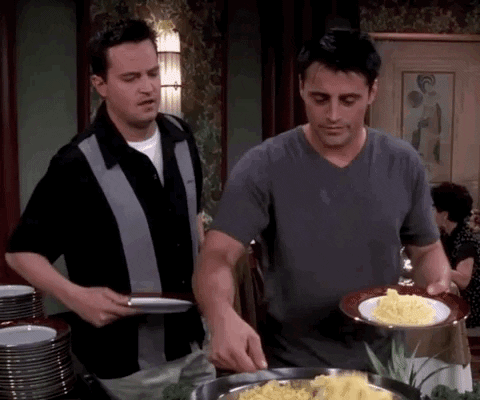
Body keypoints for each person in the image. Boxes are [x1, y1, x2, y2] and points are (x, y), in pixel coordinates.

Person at [193, 28, 451, 374]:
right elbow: (216, 256)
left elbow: (427, 251)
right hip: (289, 365)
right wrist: (221, 315)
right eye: (320, 98)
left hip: (385, 365)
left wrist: (437, 284)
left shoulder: (403, 163)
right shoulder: (264, 164)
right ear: (301, 87)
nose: (333, 115)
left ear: (372, 92)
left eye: (348, 100)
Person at [5, 18, 214, 400]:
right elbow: (21, 252)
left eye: (153, 73)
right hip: (124, 367)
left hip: (196, 348)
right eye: (131, 78)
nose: (148, 87)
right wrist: (74, 297)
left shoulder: (181, 137)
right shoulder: (76, 164)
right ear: (99, 84)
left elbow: (194, 221)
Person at [432, 182, 480, 328]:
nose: (431, 212)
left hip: (469, 311)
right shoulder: (448, 234)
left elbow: (464, 279)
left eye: (434, 208)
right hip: (455, 301)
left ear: (445, 215)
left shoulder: (465, 240)